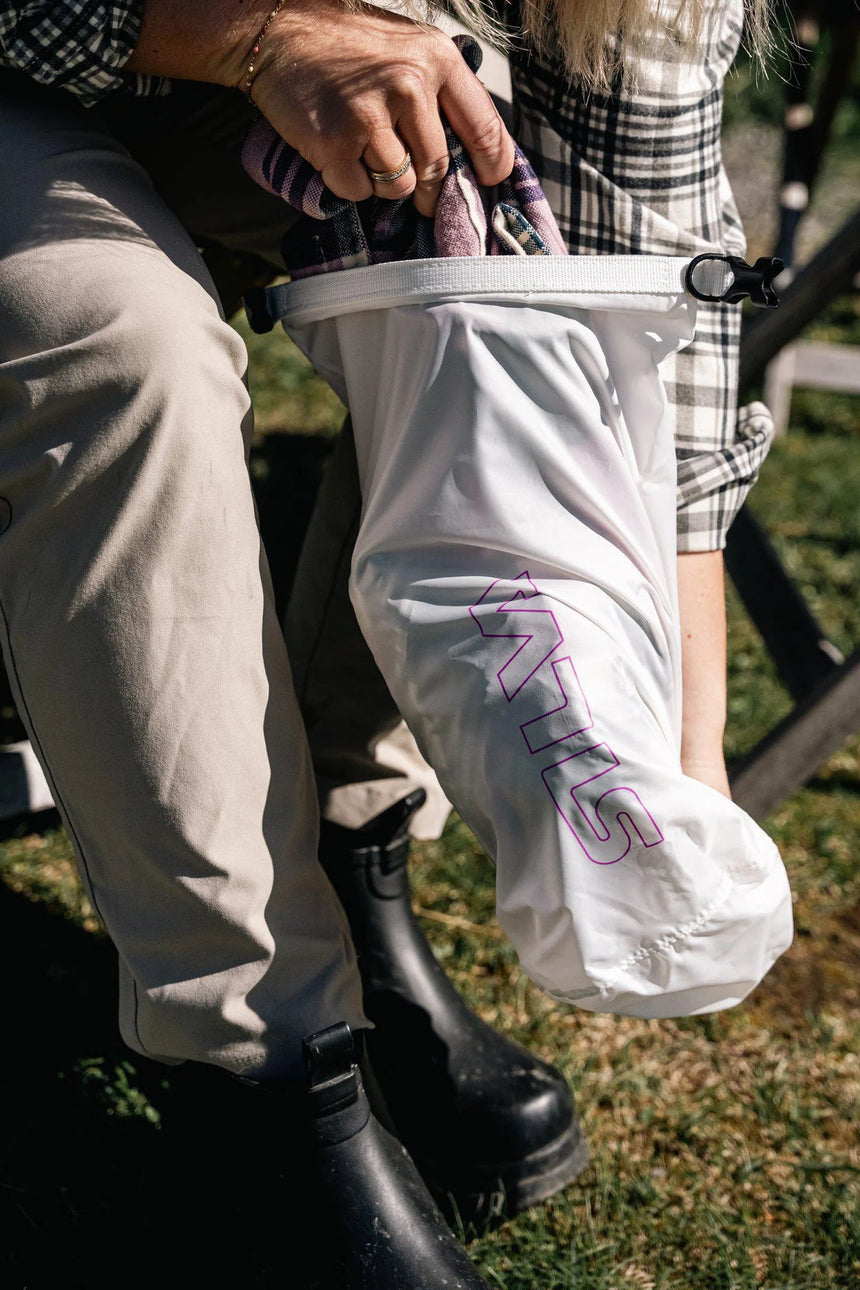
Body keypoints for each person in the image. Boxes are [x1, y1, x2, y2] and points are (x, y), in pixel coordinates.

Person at [0, 1, 774, 1284]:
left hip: (218, 104)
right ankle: (263, 1057)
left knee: (484, 251)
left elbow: (648, 272)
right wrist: (247, 41)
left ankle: (351, 865)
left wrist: (682, 766)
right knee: (115, 338)